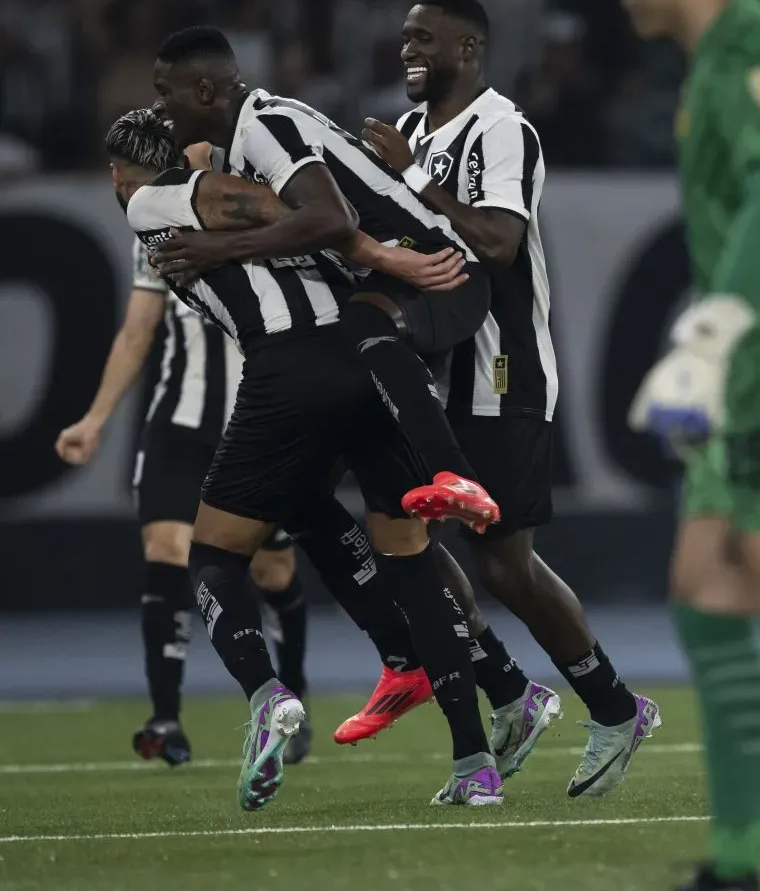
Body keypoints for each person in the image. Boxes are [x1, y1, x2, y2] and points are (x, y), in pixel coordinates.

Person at [111, 106, 504, 808]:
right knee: (383, 546)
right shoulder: (249, 189)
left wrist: (382, 255)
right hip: (360, 361)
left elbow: (256, 203)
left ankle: (267, 694)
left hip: (285, 372)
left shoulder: (152, 200)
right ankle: (473, 759)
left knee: (217, 555)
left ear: (117, 172)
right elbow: (281, 207)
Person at [335, 0, 659, 798]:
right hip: (421, 374)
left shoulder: (498, 126)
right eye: (402, 36)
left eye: (423, 39)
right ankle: (510, 691)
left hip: (498, 368)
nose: (406, 50)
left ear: (468, 49)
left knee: (506, 566)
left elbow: (499, 242)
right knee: (399, 538)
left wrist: (415, 186)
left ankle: (615, 708)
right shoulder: (407, 134)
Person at [618, 0, 760, 891]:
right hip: (744, 366)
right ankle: (736, 868)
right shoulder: (713, 70)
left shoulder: (757, 54)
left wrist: (708, 331)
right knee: (704, 600)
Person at [150, 25, 501, 536]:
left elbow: (332, 220)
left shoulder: (265, 126)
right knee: (369, 507)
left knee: (361, 323)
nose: (159, 107)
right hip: (392, 297)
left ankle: (459, 477)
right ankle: (437, 606)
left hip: (440, 271)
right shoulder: (235, 151)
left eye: (165, 92)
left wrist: (217, 248)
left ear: (204, 91)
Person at [55, 215, 312, 767]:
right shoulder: (155, 225)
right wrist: (95, 419)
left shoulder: (268, 207)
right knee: (166, 551)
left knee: (273, 571)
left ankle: (292, 692)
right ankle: (166, 717)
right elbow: (137, 329)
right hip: (180, 424)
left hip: (259, 425)